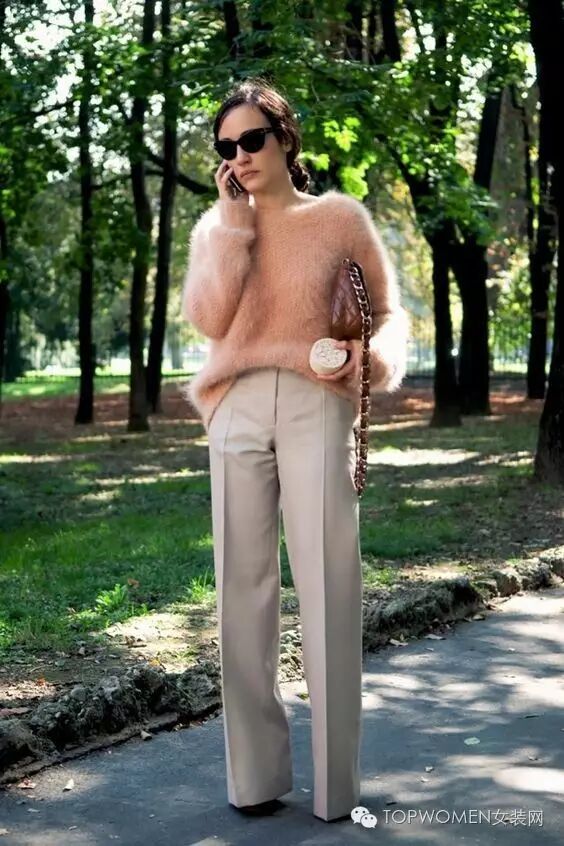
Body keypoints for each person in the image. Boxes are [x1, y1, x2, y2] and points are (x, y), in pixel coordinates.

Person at [180, 76, 409, 822]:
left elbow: (387, 315)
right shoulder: (216, 229)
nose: (240, 156)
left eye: (252, 140)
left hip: (316, 401)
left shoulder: (338, 218)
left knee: (329, 584)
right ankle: (254, 780)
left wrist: (367, 361)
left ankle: (336, 788)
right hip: (236, 407)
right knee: (241, 592)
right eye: (226, 147)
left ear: (284, 138)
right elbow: (211, 318)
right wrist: (233, 225)